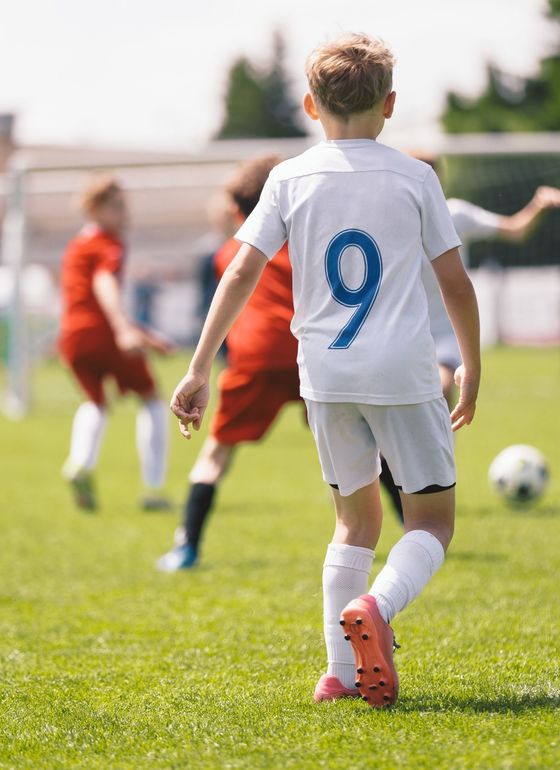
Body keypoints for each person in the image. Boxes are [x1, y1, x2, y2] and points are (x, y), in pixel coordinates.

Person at [170, 34, 480, 709]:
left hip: (325, 374)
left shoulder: (288, 176)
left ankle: (339, 674)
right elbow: (454, 284)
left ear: (310, 105)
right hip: (401, 370)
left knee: (352, 524)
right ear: (390, 104)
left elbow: (242, 270)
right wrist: (473, 365)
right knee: (430, 523)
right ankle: (377, 604)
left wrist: (198, 368)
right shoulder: (415, 177)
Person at [380, 156, 560, 521]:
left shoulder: (456, 214)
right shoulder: (387, 218)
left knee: (440, 388)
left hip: (446, 333)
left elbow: (515, 229)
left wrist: (537, 204)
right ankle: (399, 473)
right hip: (402, 334)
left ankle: (424, 478)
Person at [157, 155, 301, 572]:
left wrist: (200, 366)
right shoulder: (303, 243)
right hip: (308, 353)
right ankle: (414, 528)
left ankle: (186, 547)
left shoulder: (230, 252)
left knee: (216, 454)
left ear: (238, 210)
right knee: (360, 447)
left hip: (255, 358)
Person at [59, 174, 171, 511]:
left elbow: (85, 299)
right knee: (151, 399)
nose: (125, 215)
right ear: (95, 209)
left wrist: (145, 335)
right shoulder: (108, 243)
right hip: (104, 333)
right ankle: (152, 488)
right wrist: (124, 329)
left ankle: (79, 464)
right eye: (117, 207)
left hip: (73, 336)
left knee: (94, 402)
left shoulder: (76, 245)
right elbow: (104, 284)